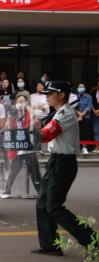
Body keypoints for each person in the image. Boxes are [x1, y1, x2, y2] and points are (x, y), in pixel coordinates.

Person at [31, 81, 98, 256]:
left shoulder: (65, 115)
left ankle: (93, 241)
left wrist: (27, 131)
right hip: (56, 162)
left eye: (50, 93)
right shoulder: (59, 113)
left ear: (61, 95)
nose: (47, 96)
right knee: (43, 204)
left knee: (53, 206)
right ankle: (50, 245)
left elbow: (46, 135)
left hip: (64, 163)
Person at [0, 95, 41, 199]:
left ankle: (41, 192)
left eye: (22, 101)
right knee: (13, 171)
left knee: (34, 172)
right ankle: (7, 190)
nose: (20, 104)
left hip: (29, 148)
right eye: (19, 101)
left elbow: (34, 115)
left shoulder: (29, 115)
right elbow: (7, 128)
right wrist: (9, 119)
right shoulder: (13, 117)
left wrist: (25, 104)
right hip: (17, 148)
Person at [75, 83, 92, 154]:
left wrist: (82, 114)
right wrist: (79, 114)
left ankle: (84, 148)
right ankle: (76, 147)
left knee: (85, 132)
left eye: (82, 87)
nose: (80, 88)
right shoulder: (75, 96)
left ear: (85, 88)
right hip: (76, 117)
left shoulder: (89, 97)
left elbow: (89, 106)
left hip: (86, 117)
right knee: (76, 132)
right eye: (79, 87)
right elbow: (73, 106)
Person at [91, 75, 99, 153]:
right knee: (96, 130)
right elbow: (91, 101)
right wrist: (94, 110)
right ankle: (97, 148)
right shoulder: (94, 90)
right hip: (95, 113)